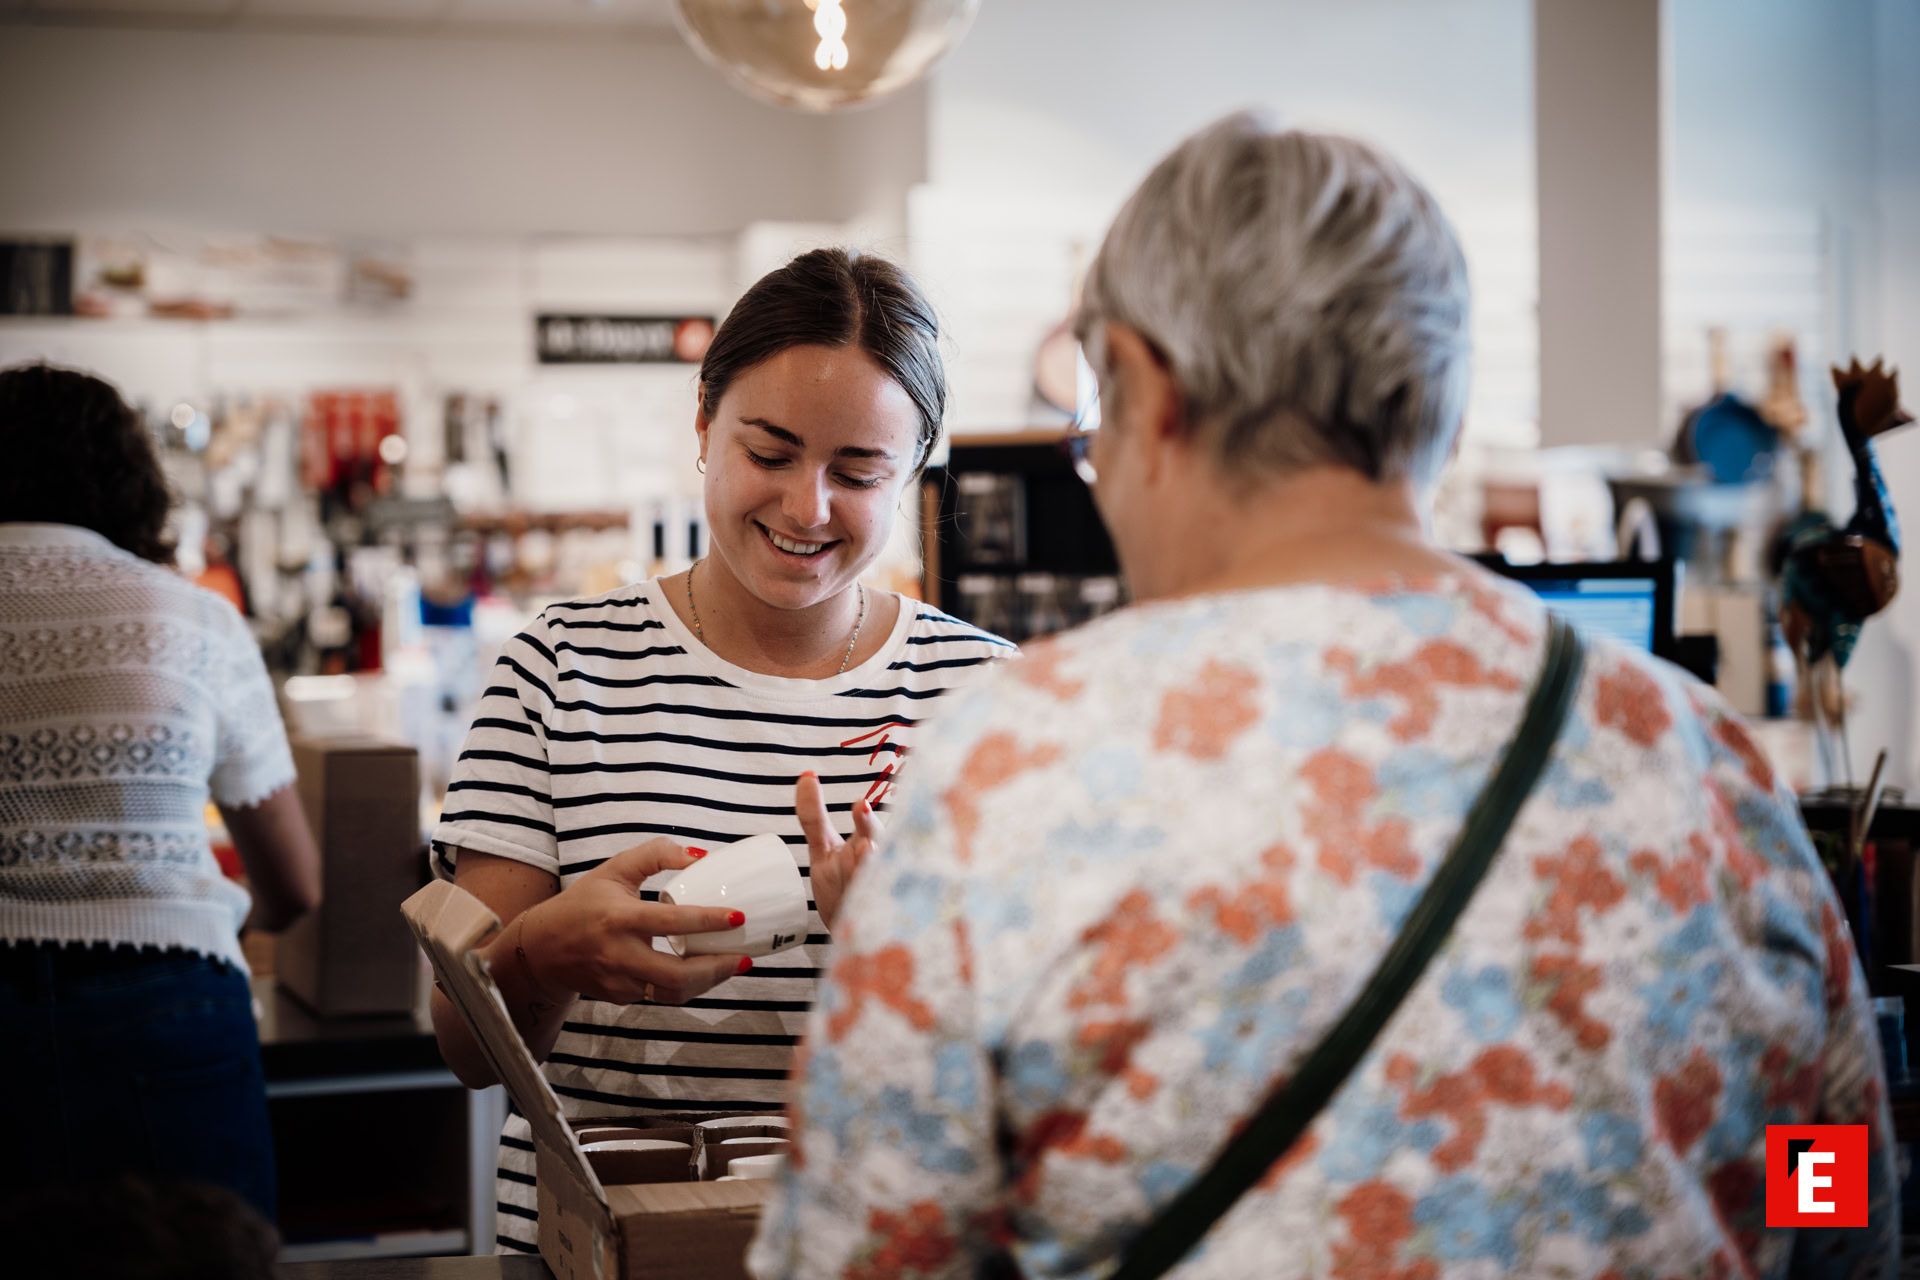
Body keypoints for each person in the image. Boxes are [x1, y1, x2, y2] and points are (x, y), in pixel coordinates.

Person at [751, 115, 1897, 1279]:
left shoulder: (1012, 768)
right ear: (1437, 399)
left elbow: (866, 1249)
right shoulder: (1703, 761)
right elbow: (1835, 1173)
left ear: (1147, 389)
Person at [426, 247, 1015, 1255]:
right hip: (597, 1245)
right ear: (704, 421)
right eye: (771, 451)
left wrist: (907, 957)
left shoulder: (988, 696)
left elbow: (1045, 1056)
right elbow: (465, 1044)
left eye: (859, 471)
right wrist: (540, 953)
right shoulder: (558, 669)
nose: (806, 507)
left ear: (912, 472)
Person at [0, 363, 322, 1222]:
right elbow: (295, 886)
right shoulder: (193, 617)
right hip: (168, 1002)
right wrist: (218, 915)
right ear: (132, 483)